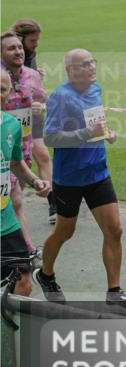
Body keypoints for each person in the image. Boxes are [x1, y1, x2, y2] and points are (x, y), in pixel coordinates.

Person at [34, 49, 126, 309]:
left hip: (98, 173)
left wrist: (107, 133)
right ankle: (45, 275)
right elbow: (50, 138)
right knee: (64, 232)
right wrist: (85, 133)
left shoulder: (95, 89)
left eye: (93, 62)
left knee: (115, 230)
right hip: (69, 178)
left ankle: (114, 291)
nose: (92, 67)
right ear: (71, 70)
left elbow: (96, 124)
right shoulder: (61, 97)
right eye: (85, 64)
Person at [1, 70, 51, 297]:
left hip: (6, 221)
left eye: (2, 89)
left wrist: (35, 181)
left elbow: (15, 162)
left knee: (24, 281)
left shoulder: (11, 125)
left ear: (8, 92)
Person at [1, 33, 45, 251]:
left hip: (22, 145)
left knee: (14, 200)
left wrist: (40, 108)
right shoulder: (0, 77)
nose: (18, 51)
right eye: (11, 48)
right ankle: (26, 250)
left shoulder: (32, 75)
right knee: (14, 200)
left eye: (19, 47)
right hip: (3, 147)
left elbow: (41, 98)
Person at [10, 19, 55, 224]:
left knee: (43, 156)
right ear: (20, 38)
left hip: (31, 115)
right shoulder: (7, 58)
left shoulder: (30, 54)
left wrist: (39, 88)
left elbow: (32, 85)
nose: (35, 45)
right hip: (11, 117)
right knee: (16, 166)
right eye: (32, 41)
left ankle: (54, 203)